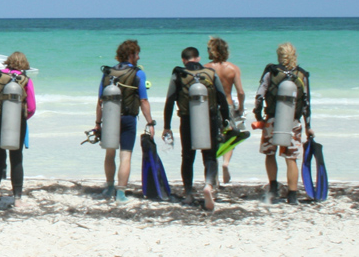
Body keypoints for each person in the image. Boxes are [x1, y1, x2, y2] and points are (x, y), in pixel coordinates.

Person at [162, 47, 231, 211]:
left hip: (187, 120)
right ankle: (208, 186)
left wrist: (167, 126)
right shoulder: (211, 73)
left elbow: (170, 100)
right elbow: (222, 97)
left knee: (187, 157)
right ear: (198, 58)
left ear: (183, 60)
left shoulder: (179, 74)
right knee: (210, 156)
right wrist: (226, 120)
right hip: (210, 119)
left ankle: (188, 194)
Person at [93, 39, 155, 203]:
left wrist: (98, 123)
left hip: (110, 118)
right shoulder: (138, 73)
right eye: (137, 54)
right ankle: (121, 194)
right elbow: (143, 101)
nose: (139, 58)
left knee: (109, 153)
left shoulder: (107, 73)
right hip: (128, 119)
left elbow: (100, 101)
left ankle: (109, 187)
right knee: (125, 155)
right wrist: (150, 123)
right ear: (130, 55)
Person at [254, 42, 313, 205]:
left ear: (279, 56)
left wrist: (259, 116)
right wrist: (308, 127)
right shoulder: (302, 75)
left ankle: (273, 189)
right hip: (293, 122)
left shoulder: (271, 73)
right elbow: (307, 103)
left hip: (272, 120)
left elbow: (259, 96)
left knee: (270, 153)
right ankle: (293, 195)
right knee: (291, 158)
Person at [0, 51, 36, 211]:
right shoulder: (26, 80)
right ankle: (17, 199)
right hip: (18, 120)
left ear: (8, 62)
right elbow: (32, 107)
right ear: (24, 65)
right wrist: (23, 118)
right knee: (16, 158)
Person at [203, 36, 245, 183]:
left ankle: (212, 179)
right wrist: (240, 108)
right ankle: (226, 163)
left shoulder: (206, 68)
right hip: (228, 106)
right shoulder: (233, 69)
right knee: (230, 136)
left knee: (212, 139)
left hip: (212, 107)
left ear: (213, 51)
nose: (207, 51)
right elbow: (240, 92)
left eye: (208, 48)